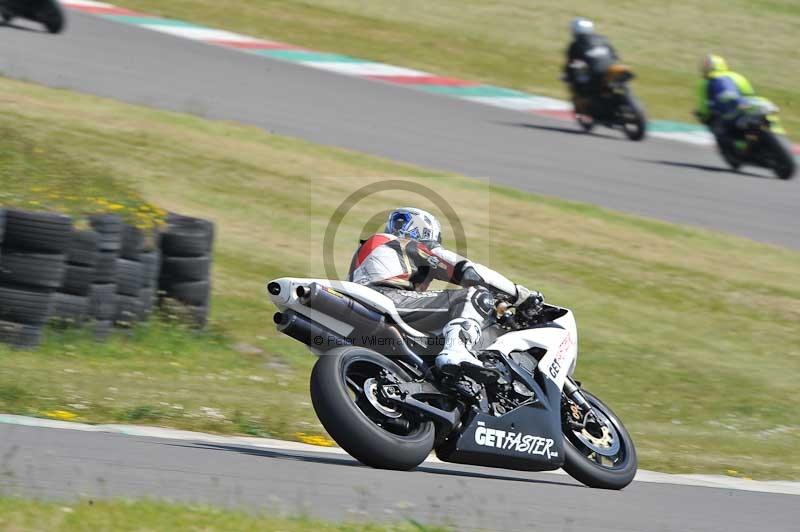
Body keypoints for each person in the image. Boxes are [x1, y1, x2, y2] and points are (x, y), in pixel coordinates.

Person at [348, 207, 542, 382]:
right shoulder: (407, 244)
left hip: (365, 311)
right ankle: (457, 352)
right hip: (390, 299)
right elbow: (470, 272)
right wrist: (520, 295)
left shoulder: (372, 250)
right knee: (473, 296)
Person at [696, 54, 756, 151]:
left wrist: (703, 116)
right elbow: (751, 92)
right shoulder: (736, 76)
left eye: (706, 66)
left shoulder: (705, 82)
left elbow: (704, 106)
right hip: (751, 106)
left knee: (718, 129)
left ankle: (740, 145)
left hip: (731, 114)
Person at [564, 17, 620, 97]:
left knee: (582, 90)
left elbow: (571, 64)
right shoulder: (603, 39)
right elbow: (615, 56)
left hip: (596, 74)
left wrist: (568, 75)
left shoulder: (575, 45)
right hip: (613, 69)